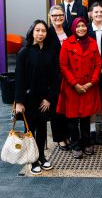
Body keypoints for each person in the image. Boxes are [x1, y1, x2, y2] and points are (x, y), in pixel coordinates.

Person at [15, 20, 59, 175]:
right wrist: (19, 102)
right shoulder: (24, 52)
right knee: (30, 130)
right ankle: (32, 159)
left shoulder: (51, 52)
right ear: (32, 32)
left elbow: (55, 78)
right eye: (37, 30)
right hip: (28, 99)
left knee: (41, 130)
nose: (41, 34)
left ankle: (41, 156)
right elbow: (19, 78)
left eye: (43, 31)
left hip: (44, 100)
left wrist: (49, 98)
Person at [57, 17, 102, 159]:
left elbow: (98, 64)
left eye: (83, 26)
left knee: (86, 118)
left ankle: (87, 143)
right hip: (72, 87)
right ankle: (75, 145)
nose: (81, 28)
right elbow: (63, 66)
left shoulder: (93, 43)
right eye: (78, 26)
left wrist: (92, 82)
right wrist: (75, 84)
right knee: (72, 119)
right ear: (73, 28)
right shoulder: (67, 43)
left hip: (88, 86)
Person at [48, 5, 71, 151]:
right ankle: (60, 138)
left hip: (69, 75)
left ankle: (67, 133)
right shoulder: (48, 33)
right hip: (54, 76)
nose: (58, 17)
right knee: (56, 108)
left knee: (68, 108)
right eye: (55, 15)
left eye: (60, 15)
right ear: (50, 17)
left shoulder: (68, 31)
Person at [88, 3, 102, 146]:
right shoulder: (85, 29)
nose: (99, 14)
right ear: (90, 14)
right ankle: (91, 130)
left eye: (101, 12)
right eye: (96, 12)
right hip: (89, 72)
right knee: (90, 101)